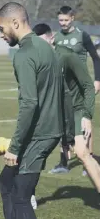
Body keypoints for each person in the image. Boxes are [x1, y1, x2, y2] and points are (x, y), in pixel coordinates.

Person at [0, 2, 63, 219]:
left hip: (38, 135)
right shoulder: (47, 48)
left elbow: (30, 103)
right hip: (49, 130)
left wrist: (15, 147)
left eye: (1, 28)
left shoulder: (23, 55)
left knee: (20, 194)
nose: (0, 34)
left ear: (15, 23)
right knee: (5, 183)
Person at [33, 23, 99, 193]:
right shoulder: (41, 61)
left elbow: (88, 86)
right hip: (60, 113)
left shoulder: (67, 55)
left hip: (77, 109)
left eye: (43, 42)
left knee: (82, 153)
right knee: (82, 154)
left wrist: (87, 115)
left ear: (52, 38)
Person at [50, 6, 100, 175]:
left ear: (72, 18)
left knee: (84, 118)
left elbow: (95, 57)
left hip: (81, 84)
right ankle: (63, 162)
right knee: (62, 121)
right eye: (60, 20)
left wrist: (97, 80)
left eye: (65, 20)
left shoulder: (82, 35)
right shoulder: (56, 37)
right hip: (63, 86)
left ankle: (89, 158)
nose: (62, 23)